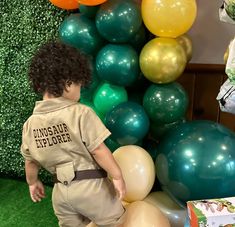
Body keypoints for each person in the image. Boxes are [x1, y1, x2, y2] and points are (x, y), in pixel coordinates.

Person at [20, 41, 126, 227]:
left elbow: (30, 162)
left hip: (60, 194)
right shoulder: (81, 113)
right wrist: (117, 175)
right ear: (68, 83)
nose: (80, 89)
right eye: (79, 84)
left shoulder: (30, 124)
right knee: (116, 221)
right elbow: (98, 150)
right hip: (91, 188)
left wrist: (32, 182)